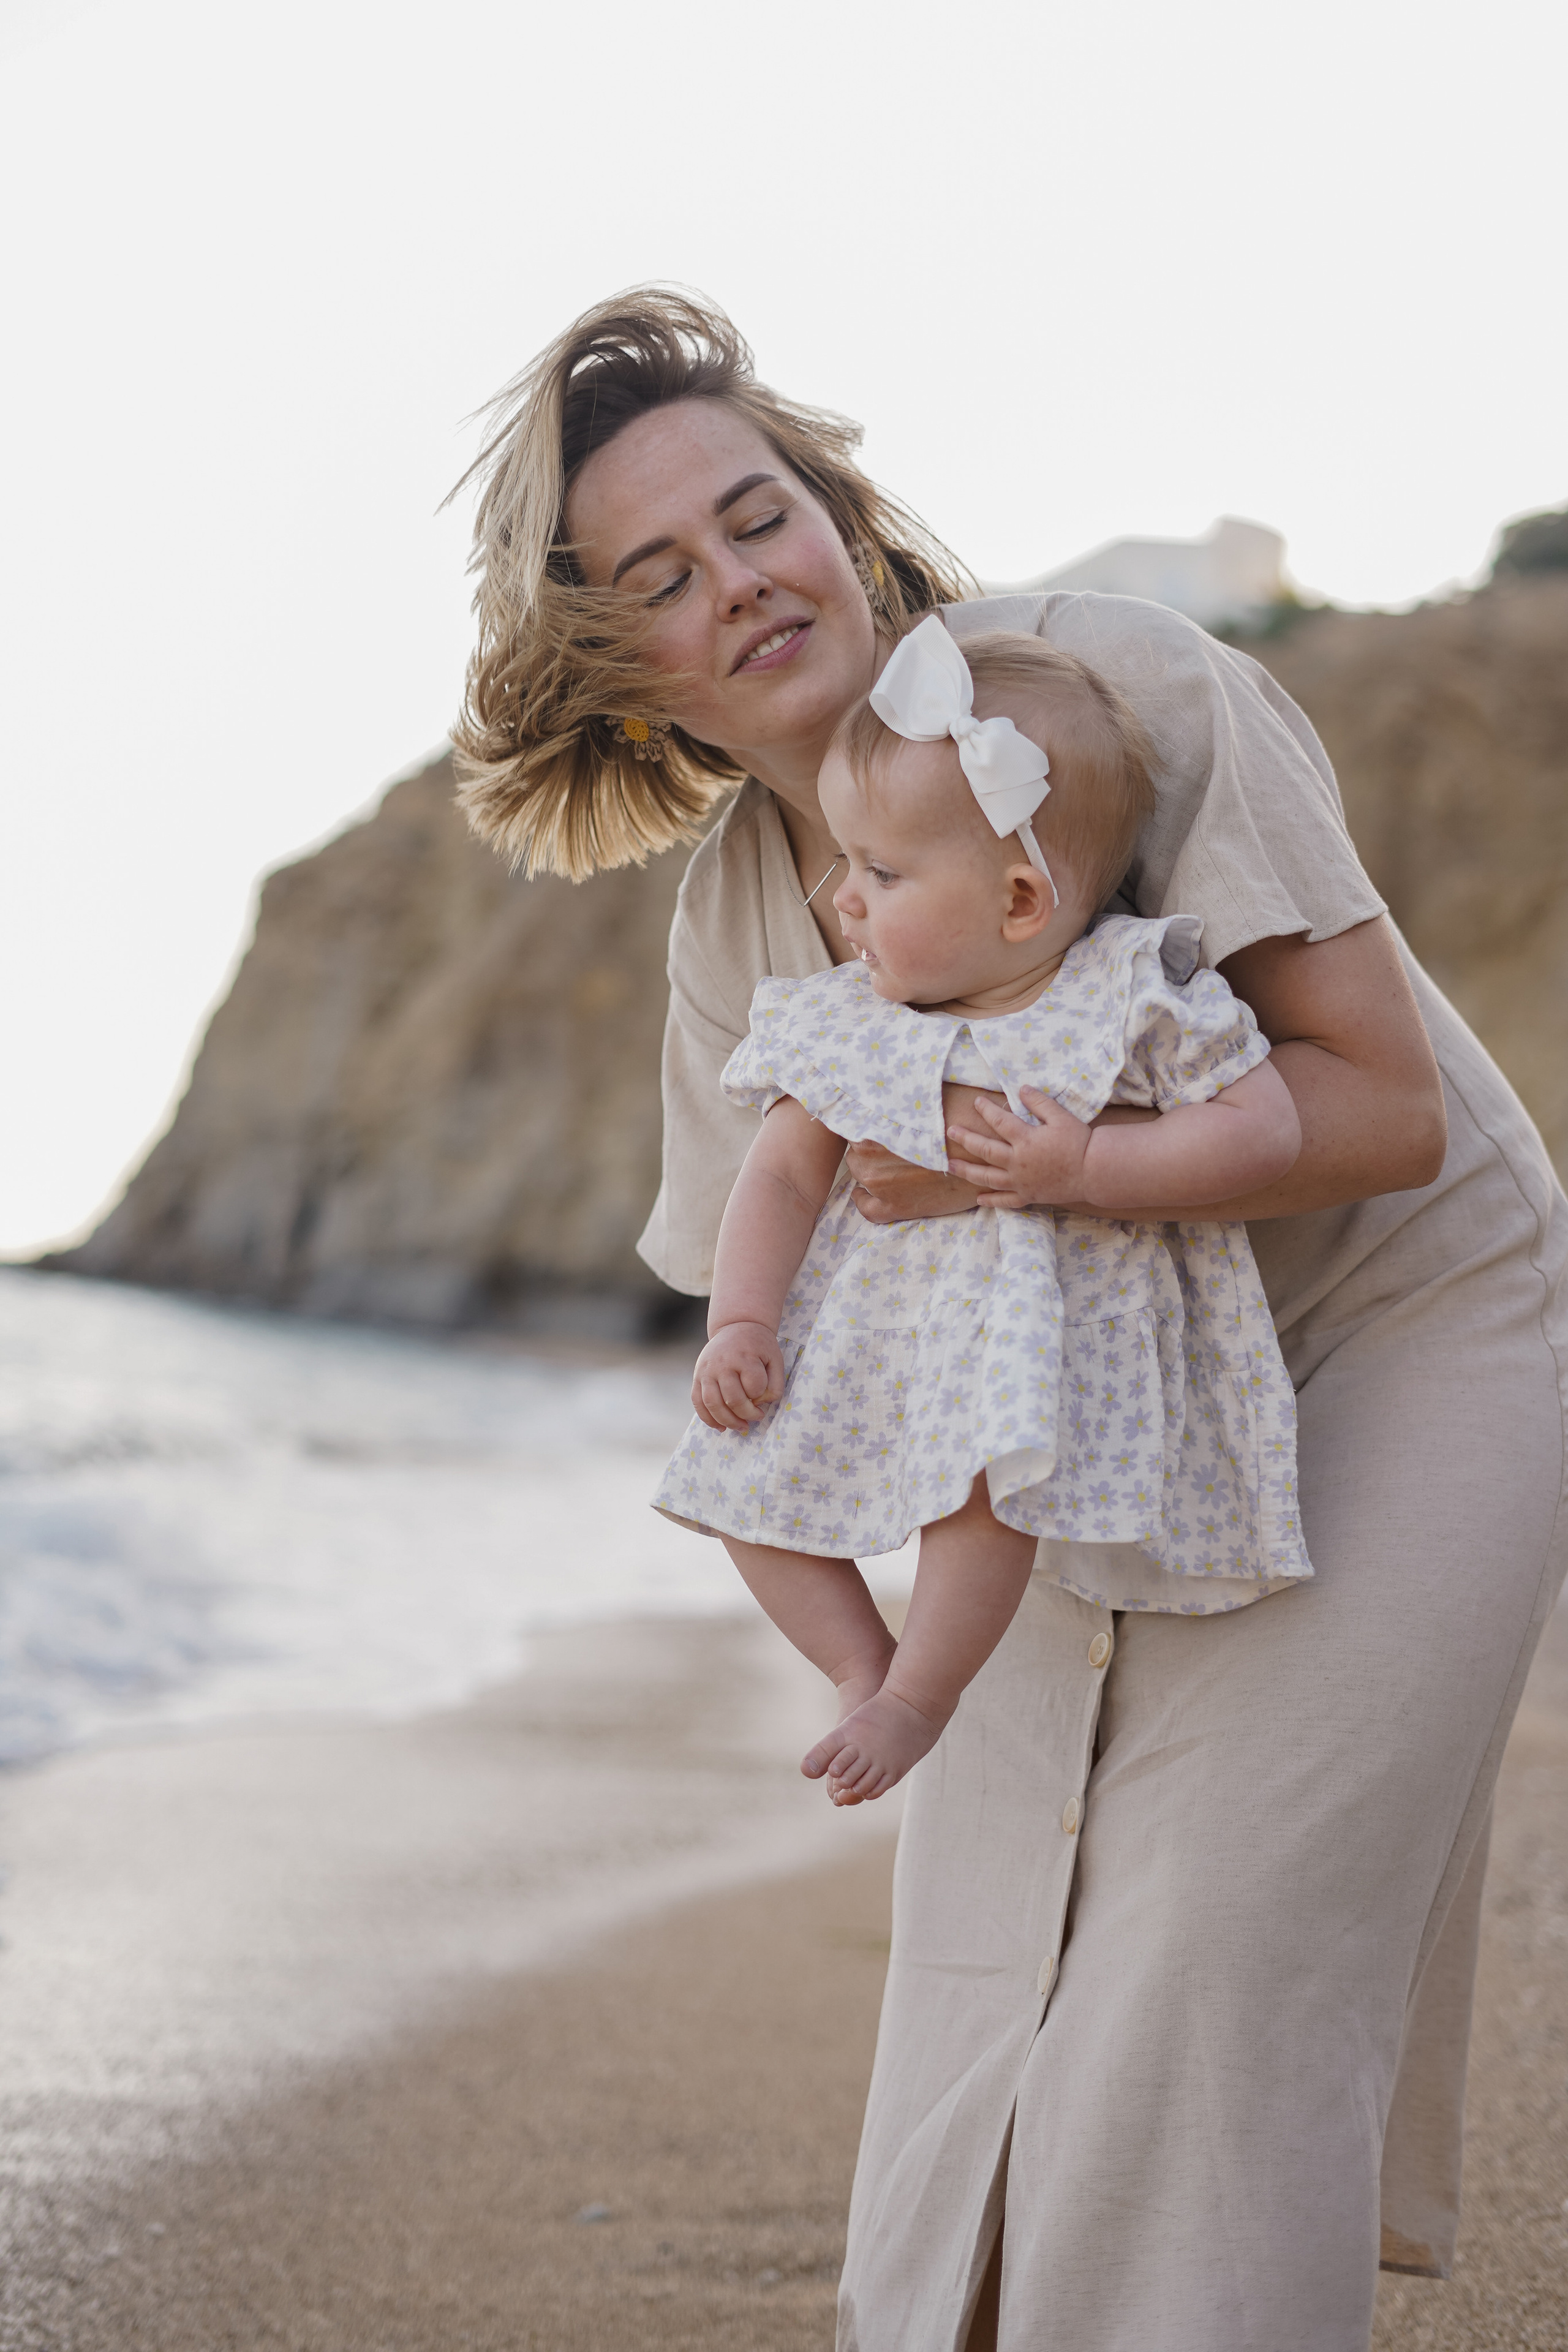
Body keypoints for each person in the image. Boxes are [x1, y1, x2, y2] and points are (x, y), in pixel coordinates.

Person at [451, 289, 1568, 2352]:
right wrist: (842, 1584)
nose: (744, 583)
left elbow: (1386, 1108)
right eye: (662, 578)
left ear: (844, 518)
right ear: (631, 672)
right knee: (991, 1982)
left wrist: (1029, 1166)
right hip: (1070, 1409)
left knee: (1201, 1969)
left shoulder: (1110, 692)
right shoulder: (739, 927)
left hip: (1397, 1334)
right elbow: (783, 1293)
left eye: (758, 512)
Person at [654, 620, 1308, 1804]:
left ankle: (919, 1694)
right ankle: (858, 1662)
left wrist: (1091, 1170)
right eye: (850, 865)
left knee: (977, 1488)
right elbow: (783, 1174)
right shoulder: (849, 1014)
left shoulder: (1124, 994)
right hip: (866, 1333)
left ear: (1018, 899)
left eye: (883, 874)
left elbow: (1263, 1131)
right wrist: (742, 1324)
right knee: (735, 1474)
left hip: (1027, 1347)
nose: (844, 902)